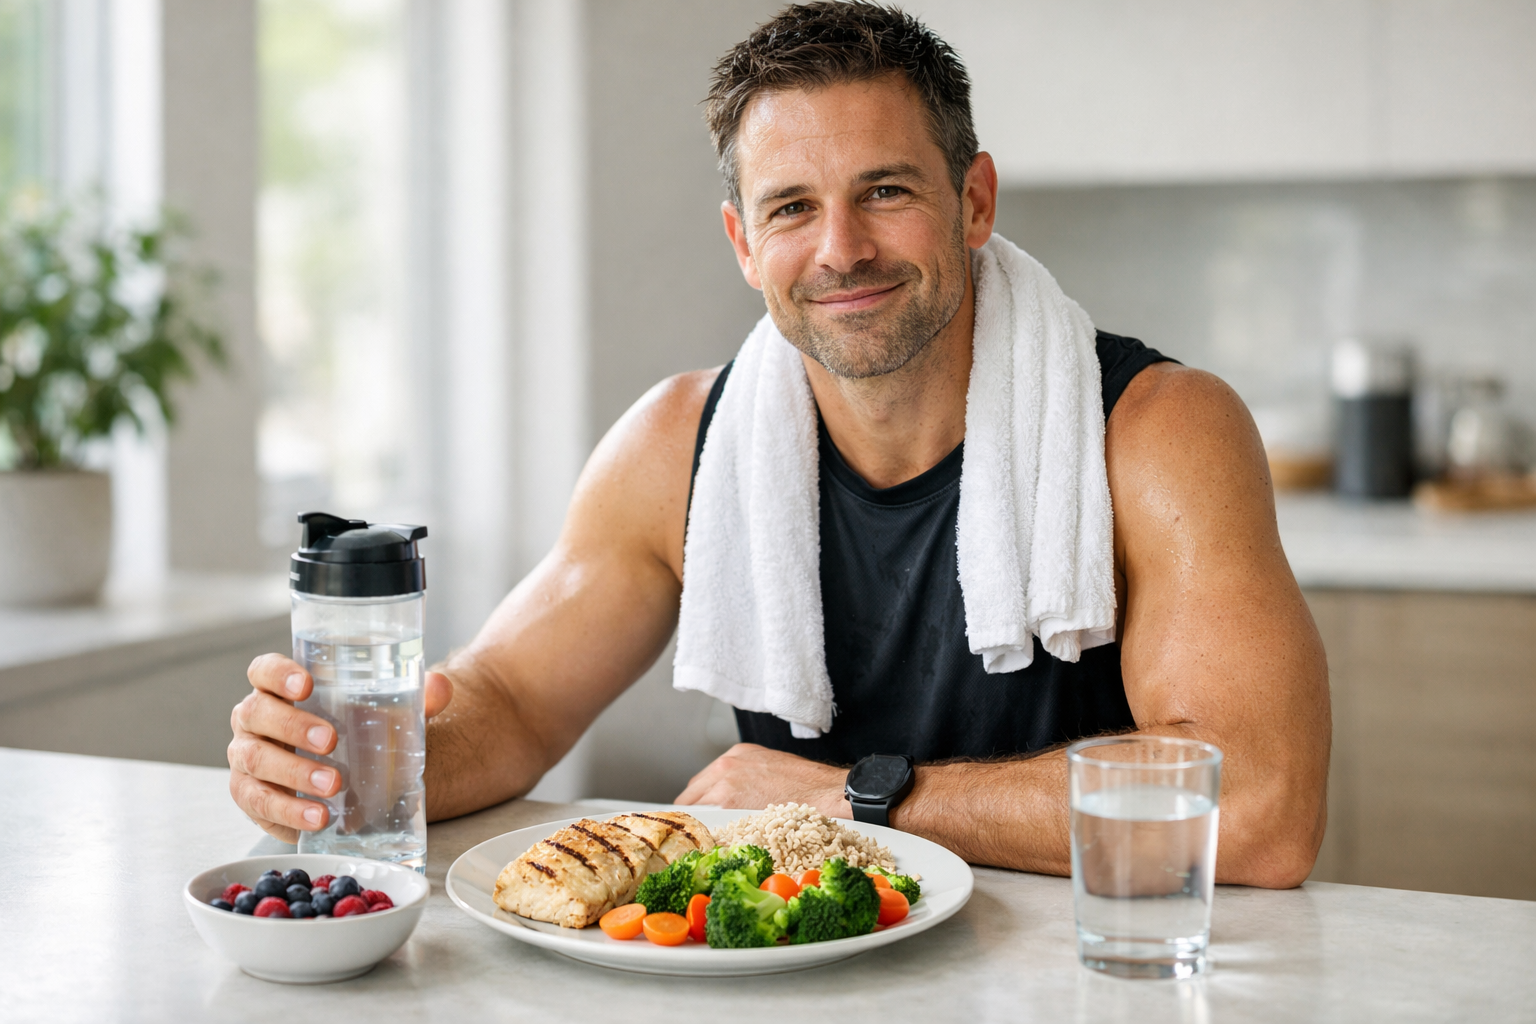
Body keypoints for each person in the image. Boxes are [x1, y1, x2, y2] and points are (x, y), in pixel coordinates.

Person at [228, 2, 1329, 886]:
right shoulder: (676, 444)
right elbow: (509, 707)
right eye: (792, 207)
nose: (841, 249)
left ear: (975, 199)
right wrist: (354, 761)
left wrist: (857, 798)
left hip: (1094, 970)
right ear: (743, 243)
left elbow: (1265, 806)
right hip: (800, 966)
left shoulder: (1155, 429)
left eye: (886, 191)